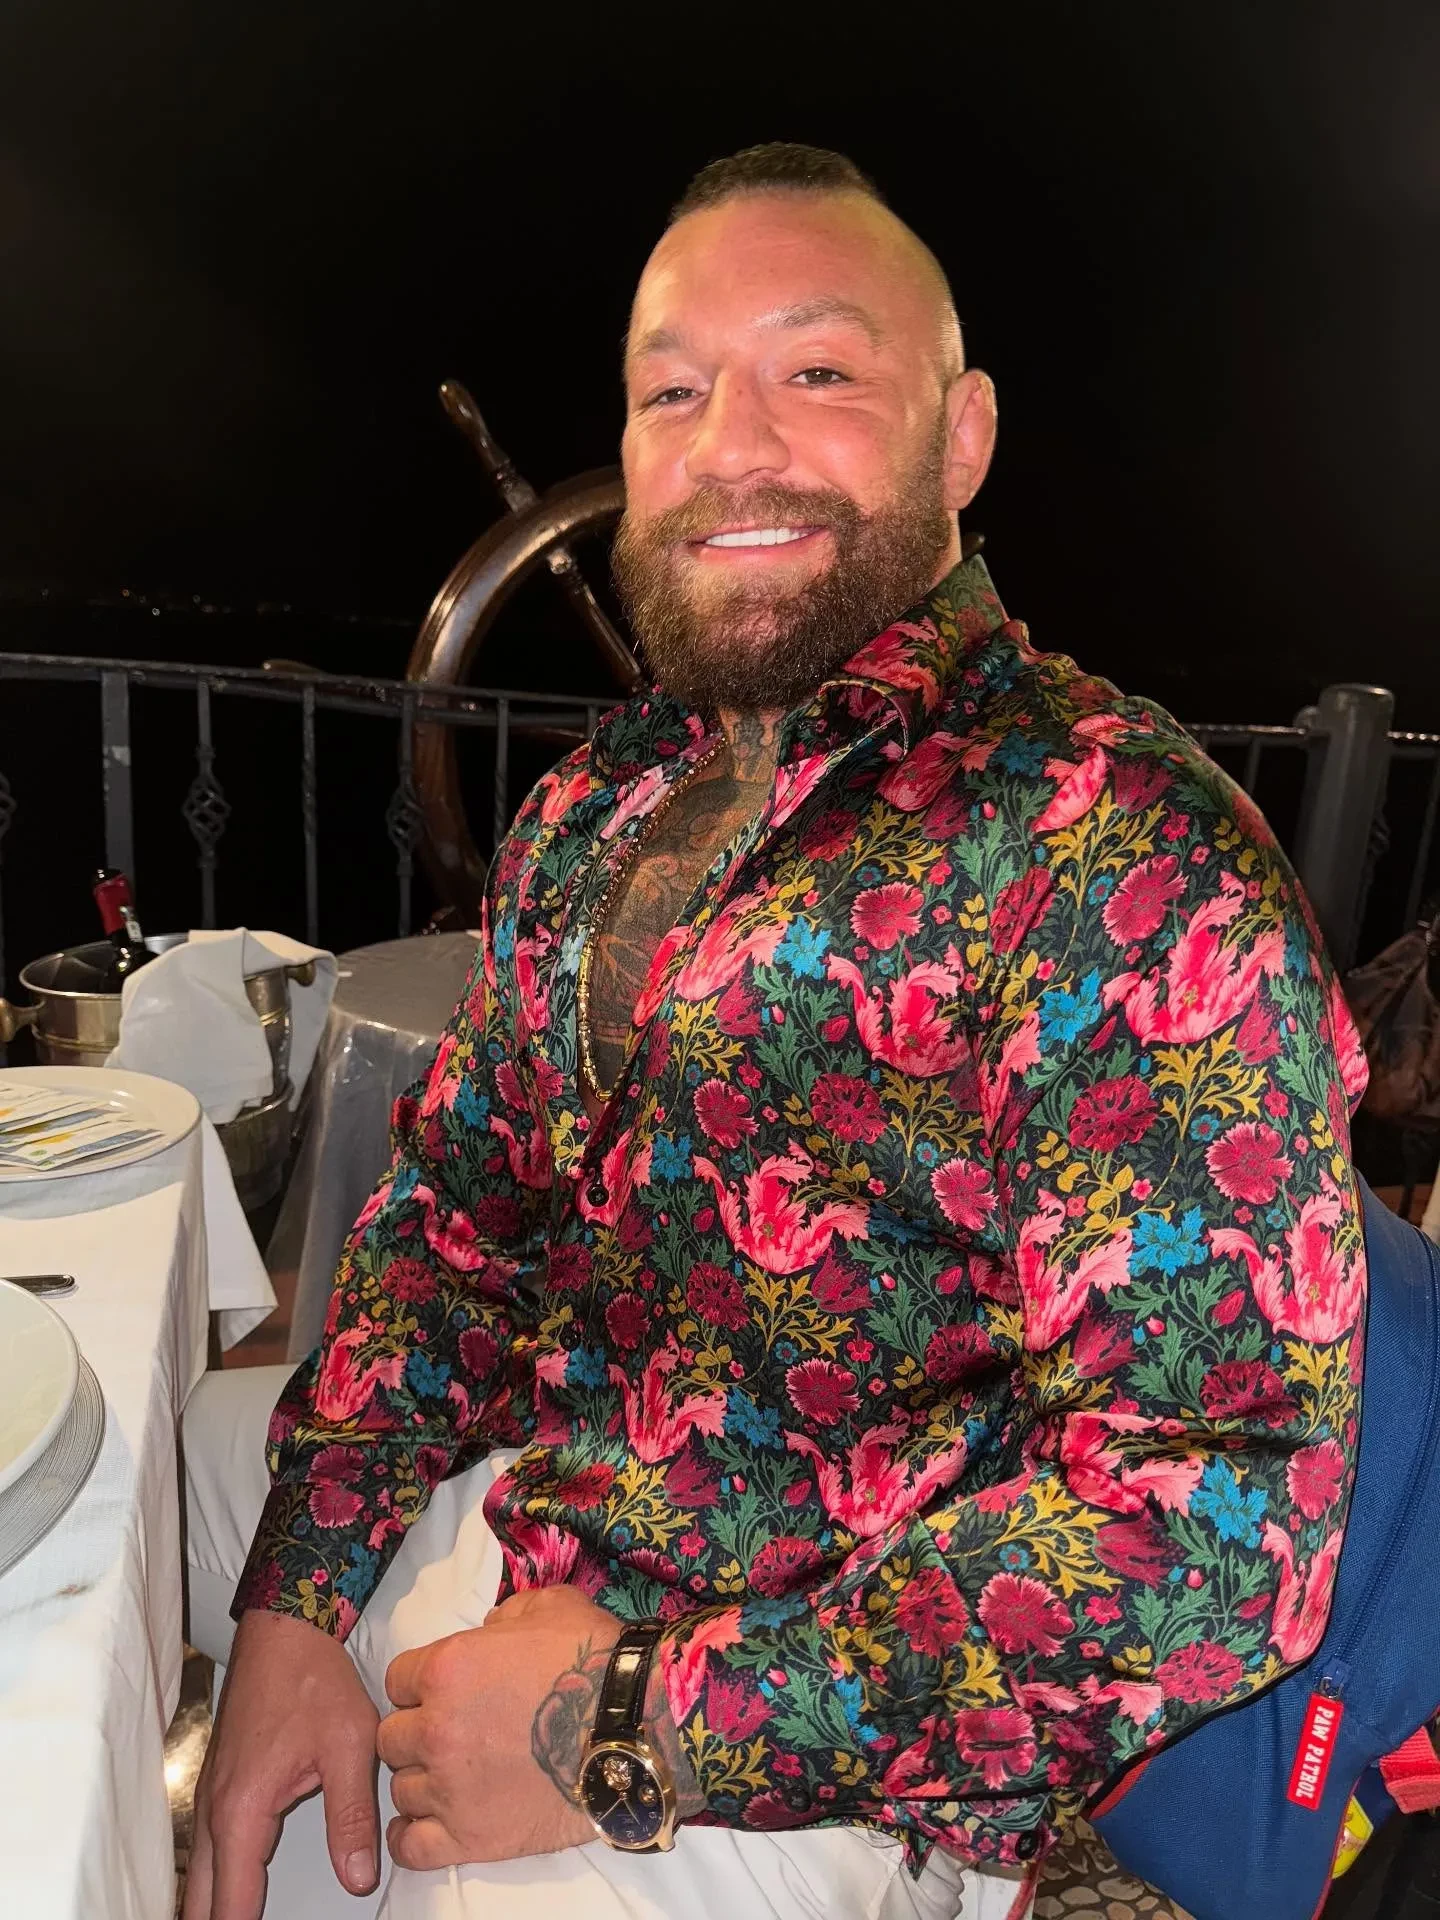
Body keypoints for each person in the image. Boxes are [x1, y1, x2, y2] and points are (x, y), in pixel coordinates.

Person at [183, 142, 1371, 1920]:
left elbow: (1219, 1523)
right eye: (674, 391)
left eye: (817, 371)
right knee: (114, 1483)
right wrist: (294, 1600)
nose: (731, 444)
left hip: (799, 1763)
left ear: (961, 437)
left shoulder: (1122, 850)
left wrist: (625, 1728)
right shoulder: (604, 800)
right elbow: (453, 1225)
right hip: (543, 1503)